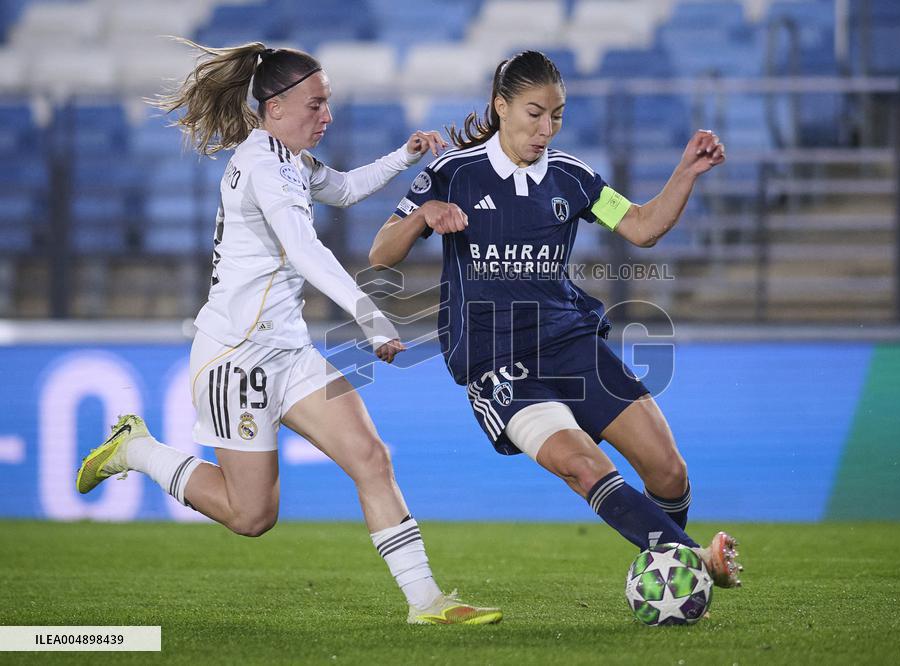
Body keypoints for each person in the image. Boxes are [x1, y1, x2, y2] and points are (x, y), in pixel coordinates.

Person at [75, 40, 501, 625]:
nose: (326, 116)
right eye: (316, 105)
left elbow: (346, 190)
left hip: (290, 352)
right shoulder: (262, 167)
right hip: (237, 356)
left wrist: (406, 154)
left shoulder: (290, 159)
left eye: (328, 104)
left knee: (371, 458)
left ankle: (426, 603)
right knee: (251, 517)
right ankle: (137, 449)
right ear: (275, 106)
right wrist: (371, 318)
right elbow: (305, 250)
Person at [369, 51, 742, 588]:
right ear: (501, 108)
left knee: (668, 471)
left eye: (557, 116)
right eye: (534, 113)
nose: (546, 129)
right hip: (494, 357)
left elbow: (640, 227)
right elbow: (382, 251)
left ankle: (666, 571)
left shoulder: (572, 177)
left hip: (569, 342)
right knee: (583, 465)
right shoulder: (453, 173)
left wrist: (685, 173)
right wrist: (425, 215)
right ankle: (695, 563)